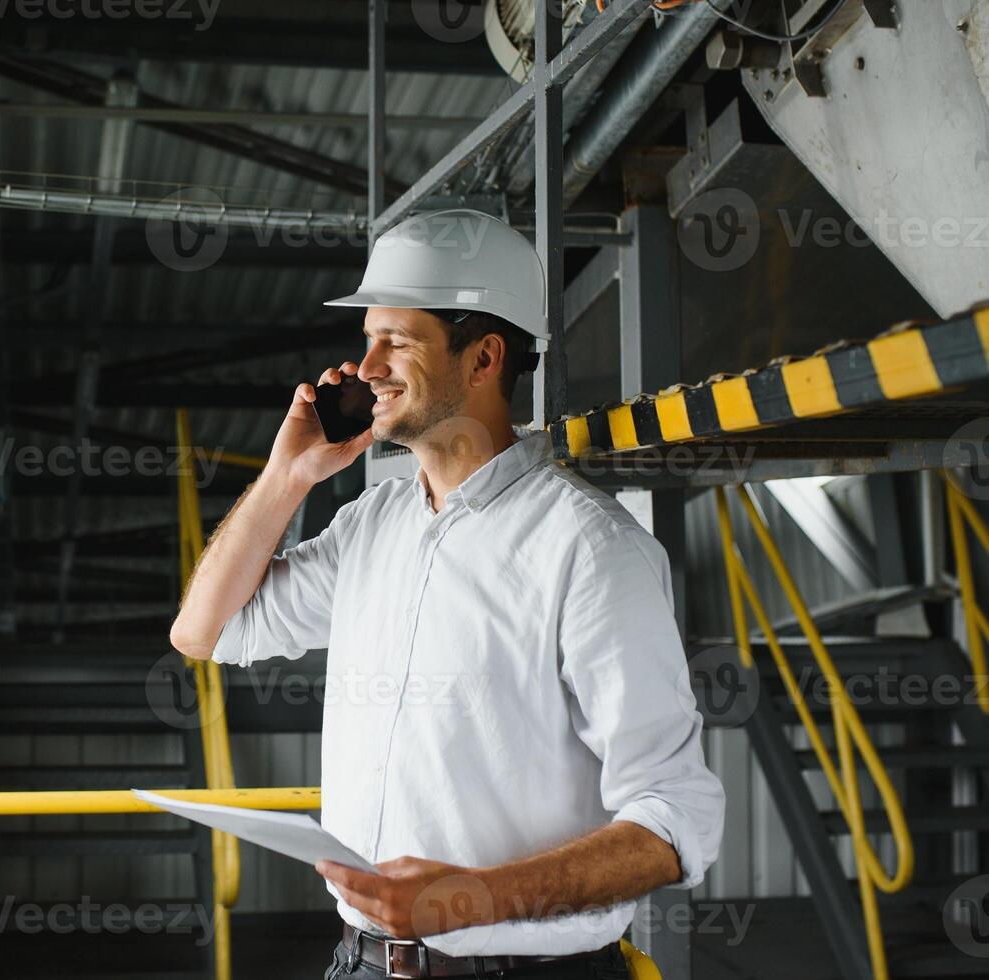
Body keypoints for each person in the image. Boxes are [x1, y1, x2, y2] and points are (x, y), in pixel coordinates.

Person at [169, 208, 724, 979]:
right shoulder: (375, 525)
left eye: (396, 340)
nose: (366, 367)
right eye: (366, 341)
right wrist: (285, 477)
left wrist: (473, 898)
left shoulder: (588, 548)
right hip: (362, 963)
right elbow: (205, 632)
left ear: (484, 356)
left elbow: (674, 819)